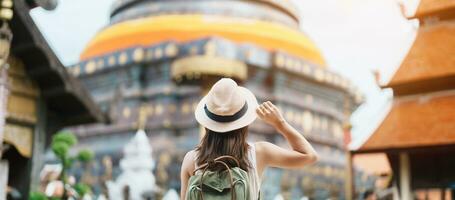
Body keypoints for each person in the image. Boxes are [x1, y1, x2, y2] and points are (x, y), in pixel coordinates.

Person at [180, 78, 319, 200]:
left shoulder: (191, 159)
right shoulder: (259, 153)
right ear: (243, 123)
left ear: (207, 123)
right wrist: (279, 123)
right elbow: (309, 156)